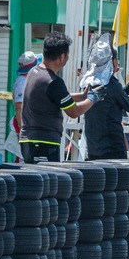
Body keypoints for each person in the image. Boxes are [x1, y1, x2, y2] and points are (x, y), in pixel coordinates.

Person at [20, 32, 100, 164]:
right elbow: (74, 112)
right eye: (67, 55)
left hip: (29, 139)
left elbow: (53, 97)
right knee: (47, 178)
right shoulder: (53, 81)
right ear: (62, 57)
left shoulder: (34, 72)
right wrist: (93, 97)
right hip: (44, 142)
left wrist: (82, 96)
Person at [83, 48, 129, 160]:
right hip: (112, 149)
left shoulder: (89, 83)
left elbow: (117, 96)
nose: (118, 62)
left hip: (93, 148)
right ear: (112, 61)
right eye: (117, 59)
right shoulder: (112, 84)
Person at [12, 51, 39, 133]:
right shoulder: (22, 83)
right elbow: (19, 107)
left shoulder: (28, 81)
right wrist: (22, 130)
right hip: (23, 129)